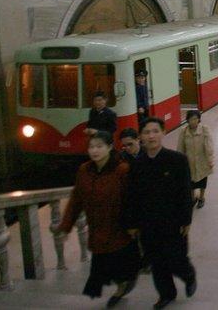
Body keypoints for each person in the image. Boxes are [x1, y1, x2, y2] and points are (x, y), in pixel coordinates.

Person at [55, 131, 139, 307]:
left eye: (99, 146)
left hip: (118, 227)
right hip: (96, 227)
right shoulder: (84, 170)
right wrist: (65, 226)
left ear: (109, 147)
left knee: (117, 261)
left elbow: (132, 199)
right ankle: (123, 283)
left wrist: (133, 224)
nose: (95, 151)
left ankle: (124, 284)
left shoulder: (121, 170)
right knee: (104, 264)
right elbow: (76, 199)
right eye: (91, 147)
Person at [124, 118, 197, 309]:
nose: (151, 136)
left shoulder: (177, 160)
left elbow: (185, 191)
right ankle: (167, 294)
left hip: (173, 221)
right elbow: (131, 195)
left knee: (176, 259)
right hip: (148, 223)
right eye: (147, 132)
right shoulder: (137, 164)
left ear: (163, 133)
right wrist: (131, 223)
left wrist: (186, 220)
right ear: (141, 137)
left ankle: (188, 276)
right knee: (157, 261)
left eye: (155, 131)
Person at [178, 110, 214, 209]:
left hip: (202, 160)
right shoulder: (183, 131)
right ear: (187, 120)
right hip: (189, 162)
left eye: (195, 119)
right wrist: (180, 162)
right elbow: (180, 148)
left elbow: (208, 145)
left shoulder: (204, 129)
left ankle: (202, 197)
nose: (193, 121)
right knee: (190, 182)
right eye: (191, 119)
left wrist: (210, 159)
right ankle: (192, 198)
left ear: (198, 119)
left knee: (202, 180)